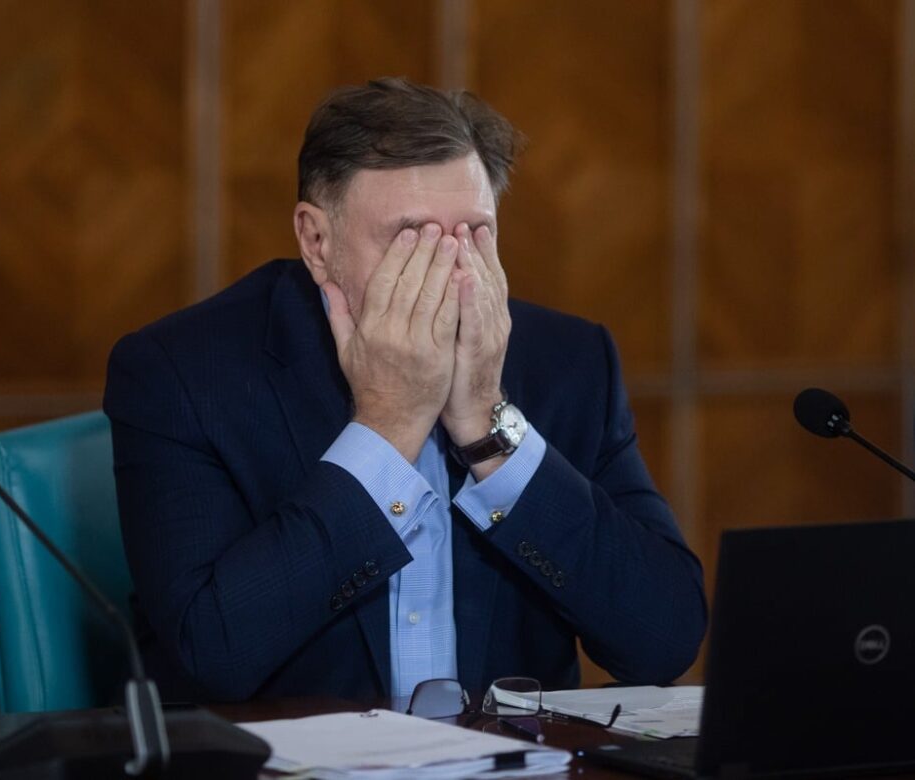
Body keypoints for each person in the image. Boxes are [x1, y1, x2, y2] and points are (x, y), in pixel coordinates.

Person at [104, 77, 706, 704]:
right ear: (316, 241)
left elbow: (664, 641)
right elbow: (211, 654)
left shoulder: (571, 363)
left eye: (473, 235)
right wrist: (388, 425)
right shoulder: (183, 372)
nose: (448, 272)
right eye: (410, 238)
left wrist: (488, 427)